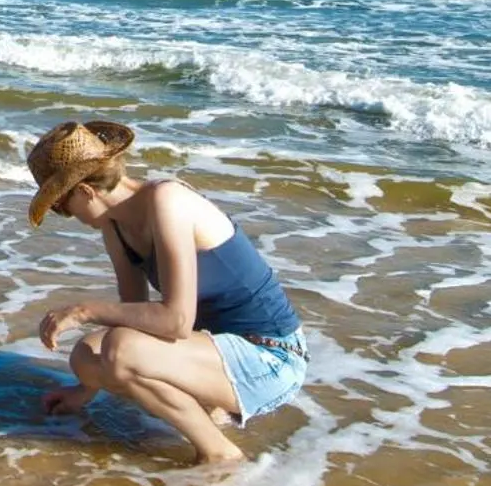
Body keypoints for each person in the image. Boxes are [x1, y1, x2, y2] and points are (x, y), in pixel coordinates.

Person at [26, 120, 308, 466]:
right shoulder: (115, 228)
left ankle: (219, 452)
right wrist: (84, 391)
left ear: (85, 191)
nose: (64, 215)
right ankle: (209, 408)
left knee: (118, 349)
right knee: (87, 354)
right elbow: (135, 319)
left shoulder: (167, 201)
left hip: (272, 357)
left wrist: (83, 311)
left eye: (60, 204)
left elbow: (175, 321)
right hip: (216, 351)